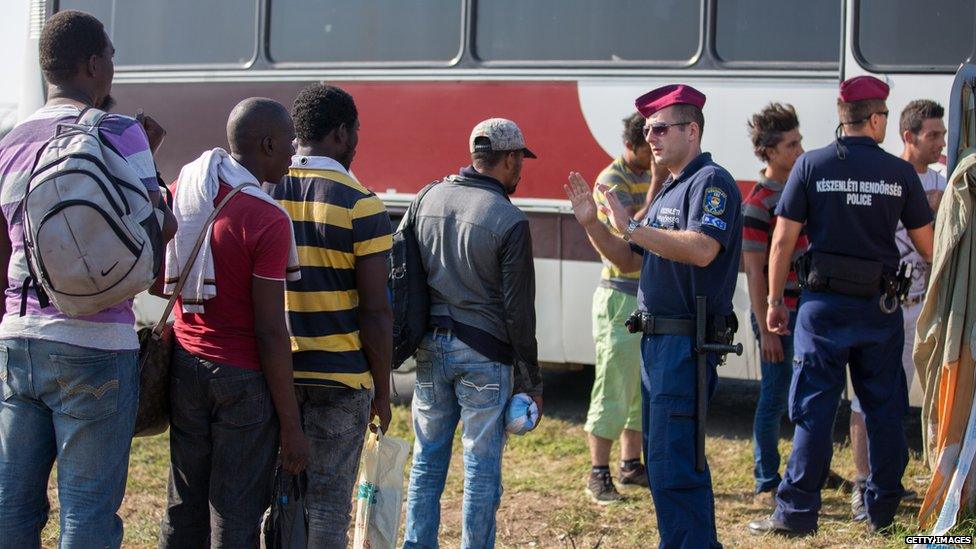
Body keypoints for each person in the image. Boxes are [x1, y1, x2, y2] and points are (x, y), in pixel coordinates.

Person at [0, 10, 176, 548]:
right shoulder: (121, 131)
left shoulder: (10, 141)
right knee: (89, 510)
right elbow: (156, 228)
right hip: (96, 342)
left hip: (18, 337)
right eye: (113, 58)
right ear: (95, 64)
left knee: (11, 502)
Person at [748, 76, 935, 536]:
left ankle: (795, 516)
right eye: (885, 117)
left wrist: (774, 303)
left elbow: (781, 242)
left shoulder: (811, 166)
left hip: (821, 309)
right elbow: (929, 247)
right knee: (883, 409)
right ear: (874, 119)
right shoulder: (900, 174)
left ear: (842, 117)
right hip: (880, 309)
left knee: (813, 410)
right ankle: (882, 513)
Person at [565, 84, 742, 548]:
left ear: (691, 130)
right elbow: (628, 260)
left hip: (683, 343)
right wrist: (591, 224)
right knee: (663, 464)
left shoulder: (711, 182)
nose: (651, 139)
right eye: (647, 130)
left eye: (661, 129)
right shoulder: (669, 189)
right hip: (659, 344)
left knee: (674, 464)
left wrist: (632, 225)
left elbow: (703, 249)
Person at [158, 98, 309, 548]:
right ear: (266, 144)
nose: (293, 153)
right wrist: (291, 425)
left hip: (185, 364)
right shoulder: (266, 217)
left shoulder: (186, 187)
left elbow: (158, 274)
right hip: (242, 379)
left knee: (184, 502)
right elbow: (269, 330)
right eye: (288, 143)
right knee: (236, 510)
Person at [403, 118, 544, 549]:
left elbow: (403, 276)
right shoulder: (508, 219)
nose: (521, 168)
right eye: (520, 159)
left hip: (430, 348)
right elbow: (518, 313)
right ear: (507, 159)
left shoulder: (426, 197)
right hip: (485, 355)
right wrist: (532, 379)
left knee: (427, 460)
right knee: (481, 468)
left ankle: (417, 543)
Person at [264, 84, 393, 547]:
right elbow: (376, 312)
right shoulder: (362, 204)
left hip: (272, 374)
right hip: (341, 379)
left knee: (277, 502)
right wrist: (383, 390)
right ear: (340, 134)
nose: (356, 141)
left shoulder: (263, 188)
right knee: (327, 509)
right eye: (355, 132)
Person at [848, 99, 946, 520]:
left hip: (929, 308)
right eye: (934, 135)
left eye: (943, 134)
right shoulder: (884, 176)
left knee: (909, 401)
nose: (941, 144)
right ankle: (861, 484)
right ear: (909, 136)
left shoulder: (945, 178)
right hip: (885, 307)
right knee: (864, 402)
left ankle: (890, 482)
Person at [584, 111, 667, 504]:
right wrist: (653, 188)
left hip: (645, 295)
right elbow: (624, 238)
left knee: (638, 388)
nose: (654, 155)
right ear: (632, 145)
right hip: (619, 296)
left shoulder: (649, 172)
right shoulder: (610, 181)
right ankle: (597, 472)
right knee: (613, 385)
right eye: (647, 148)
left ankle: (630, 464)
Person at [742, 103, 806, 506]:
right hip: (778, 314)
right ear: (769, 151)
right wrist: (766, 327)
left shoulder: (803, 190)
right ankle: (766, 479)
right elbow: (753, 271)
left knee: (807, 395)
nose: (801, 151)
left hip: (808, 309)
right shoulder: (758, 202)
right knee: (773, 396)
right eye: (792, 144)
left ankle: (805, 466)